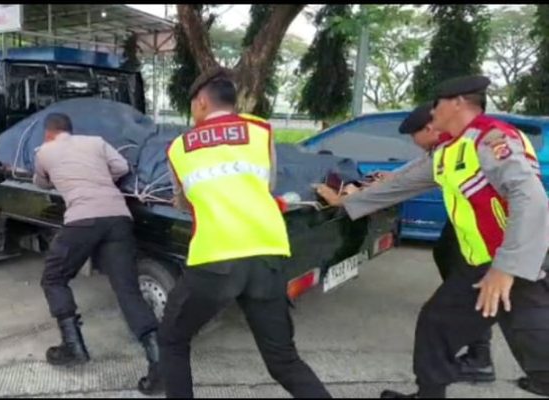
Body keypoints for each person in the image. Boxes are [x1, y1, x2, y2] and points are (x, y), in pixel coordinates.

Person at [322, 75, 549, 398]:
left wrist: (506, 267)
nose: (432, 113)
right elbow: (402, 183)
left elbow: (531, 198)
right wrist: (345, 203)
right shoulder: (449, 149)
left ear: (458, 103)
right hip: (480, 264)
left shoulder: (490, 139)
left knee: (538, 352)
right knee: (435, 325)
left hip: (513, 264)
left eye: (437, 105)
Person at [159, 68, 331, 399]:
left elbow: (184, 201)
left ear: (201, 102)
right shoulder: (261, 131)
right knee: (283, 360)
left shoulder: (179, 148)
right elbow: (267, 184)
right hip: (267, 255)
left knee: (172, 339)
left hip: (215, 258)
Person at [318, 102, 497, 383]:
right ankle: (476, 357)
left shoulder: (458, 148)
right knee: (448, 262)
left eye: (415, 135)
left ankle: (481, 359)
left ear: (430, 128)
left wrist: (343, 201)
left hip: (490, 237)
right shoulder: (449, 145)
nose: (413, 142)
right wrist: (390, 177)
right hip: (473, 229)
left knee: (453, 308)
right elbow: (417, 169)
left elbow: (407, 184)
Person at [33, 112, 163, 395]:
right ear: (70, 129)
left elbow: (41, 183)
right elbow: (121, 167)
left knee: (53, 278)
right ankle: (159, 363)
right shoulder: (96, 142)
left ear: (48, 133)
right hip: (118, 217)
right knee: (127, 290)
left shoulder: (44, 151)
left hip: (82, 220)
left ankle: (73, 346)